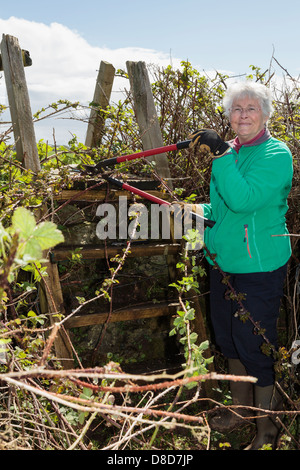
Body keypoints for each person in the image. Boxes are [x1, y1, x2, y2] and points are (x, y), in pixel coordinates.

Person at [188, 81, 293, 450]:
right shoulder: (231, 153)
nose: (243, 115)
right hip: (223, 263)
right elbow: (222, 208)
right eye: (237, 109)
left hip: (258, 268)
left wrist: (219, 154)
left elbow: (245, 200)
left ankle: (268, 428)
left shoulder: (276, 154)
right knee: (228, 339)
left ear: (265, 114)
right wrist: (191, 212)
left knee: (254, 344)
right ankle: (238, 411)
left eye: (251, 108)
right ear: (229, 116)